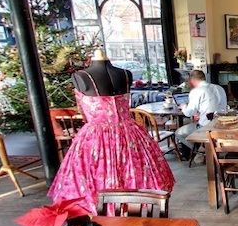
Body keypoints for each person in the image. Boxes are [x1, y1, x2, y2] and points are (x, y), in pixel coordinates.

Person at [48, 49, 175, 214]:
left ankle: (122, 213)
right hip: (126, 135)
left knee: (128, 179)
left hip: (100, 138)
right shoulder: (88, 76)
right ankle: (115, 214)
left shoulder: (120, 74)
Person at [175, 70, 227, 162]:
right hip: (223, 124)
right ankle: (205, 148)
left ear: (192, 80)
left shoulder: (196, 91)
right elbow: (218, 107)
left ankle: (202, 152)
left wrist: (183, 106)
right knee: (199, 123)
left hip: (206, 128)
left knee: (178, 133)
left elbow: (188, 113)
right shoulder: (219, 88)